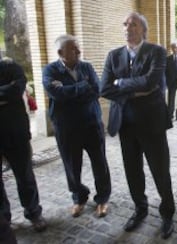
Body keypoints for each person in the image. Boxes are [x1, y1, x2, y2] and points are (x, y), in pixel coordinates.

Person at [100, 12, 175, 239]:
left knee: (160, 171)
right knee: (133, 172)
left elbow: (152, 81)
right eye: (125, 24)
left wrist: (120, 83)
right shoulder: (113, 56)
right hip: (125, 125)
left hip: (152, 124)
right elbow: (104, 88)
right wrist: (137, 89)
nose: (127, 27)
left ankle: (167, 214)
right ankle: (140, 209)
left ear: (143, 29)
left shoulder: (157, 52)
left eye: (132, 24)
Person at [42, 34, 111, 218]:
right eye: (73, 48)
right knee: (72, 166)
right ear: (60, 52)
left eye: (78, 47)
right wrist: (82, 87)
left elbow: (97, 89)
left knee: (100, 163)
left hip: (91, 124)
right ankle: (79, 197)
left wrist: (68, 90)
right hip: (67, 128)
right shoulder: (50, 70)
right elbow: (56, 94)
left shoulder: (86, 66)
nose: (79, 51)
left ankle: (103, 198)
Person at [0, 57, 47, 232]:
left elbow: (17, 89)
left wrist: (10, 92)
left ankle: (34, 213)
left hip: (16, 133)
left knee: (25, 176)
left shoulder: (11, 67)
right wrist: (6, 92)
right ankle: (4, 219)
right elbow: (9, 91)